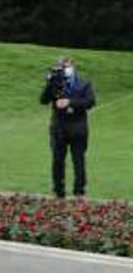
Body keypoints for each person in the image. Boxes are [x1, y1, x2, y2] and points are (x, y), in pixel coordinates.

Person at [40, 56, 97, 198]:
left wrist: (70, 102)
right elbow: (43, 100)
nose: (64, 69)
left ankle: (79, 191)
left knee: (78, 160)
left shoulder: (84, 83)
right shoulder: (55, 82)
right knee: (57, 160)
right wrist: (50, 83)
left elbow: (90, 102)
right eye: (61, 66)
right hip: (58, 128)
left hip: (78, 128)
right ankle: (58, 191)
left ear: (73, 66)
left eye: (66, 66)